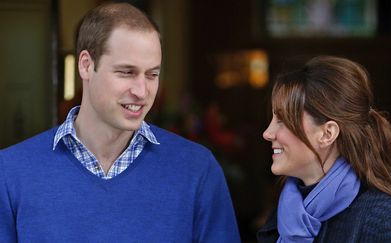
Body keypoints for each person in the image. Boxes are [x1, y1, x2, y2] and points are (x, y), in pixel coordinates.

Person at [0, 3, 240, 242]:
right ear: (86, 65)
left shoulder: (197, 170)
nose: (142, 91)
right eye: (126, 72)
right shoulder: (10, 173)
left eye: (152, 74)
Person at [257, 56, 391, 242]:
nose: (268, 133)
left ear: (327, 134)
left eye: (282, 120)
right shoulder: (284, 215)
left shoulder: (387, 222)